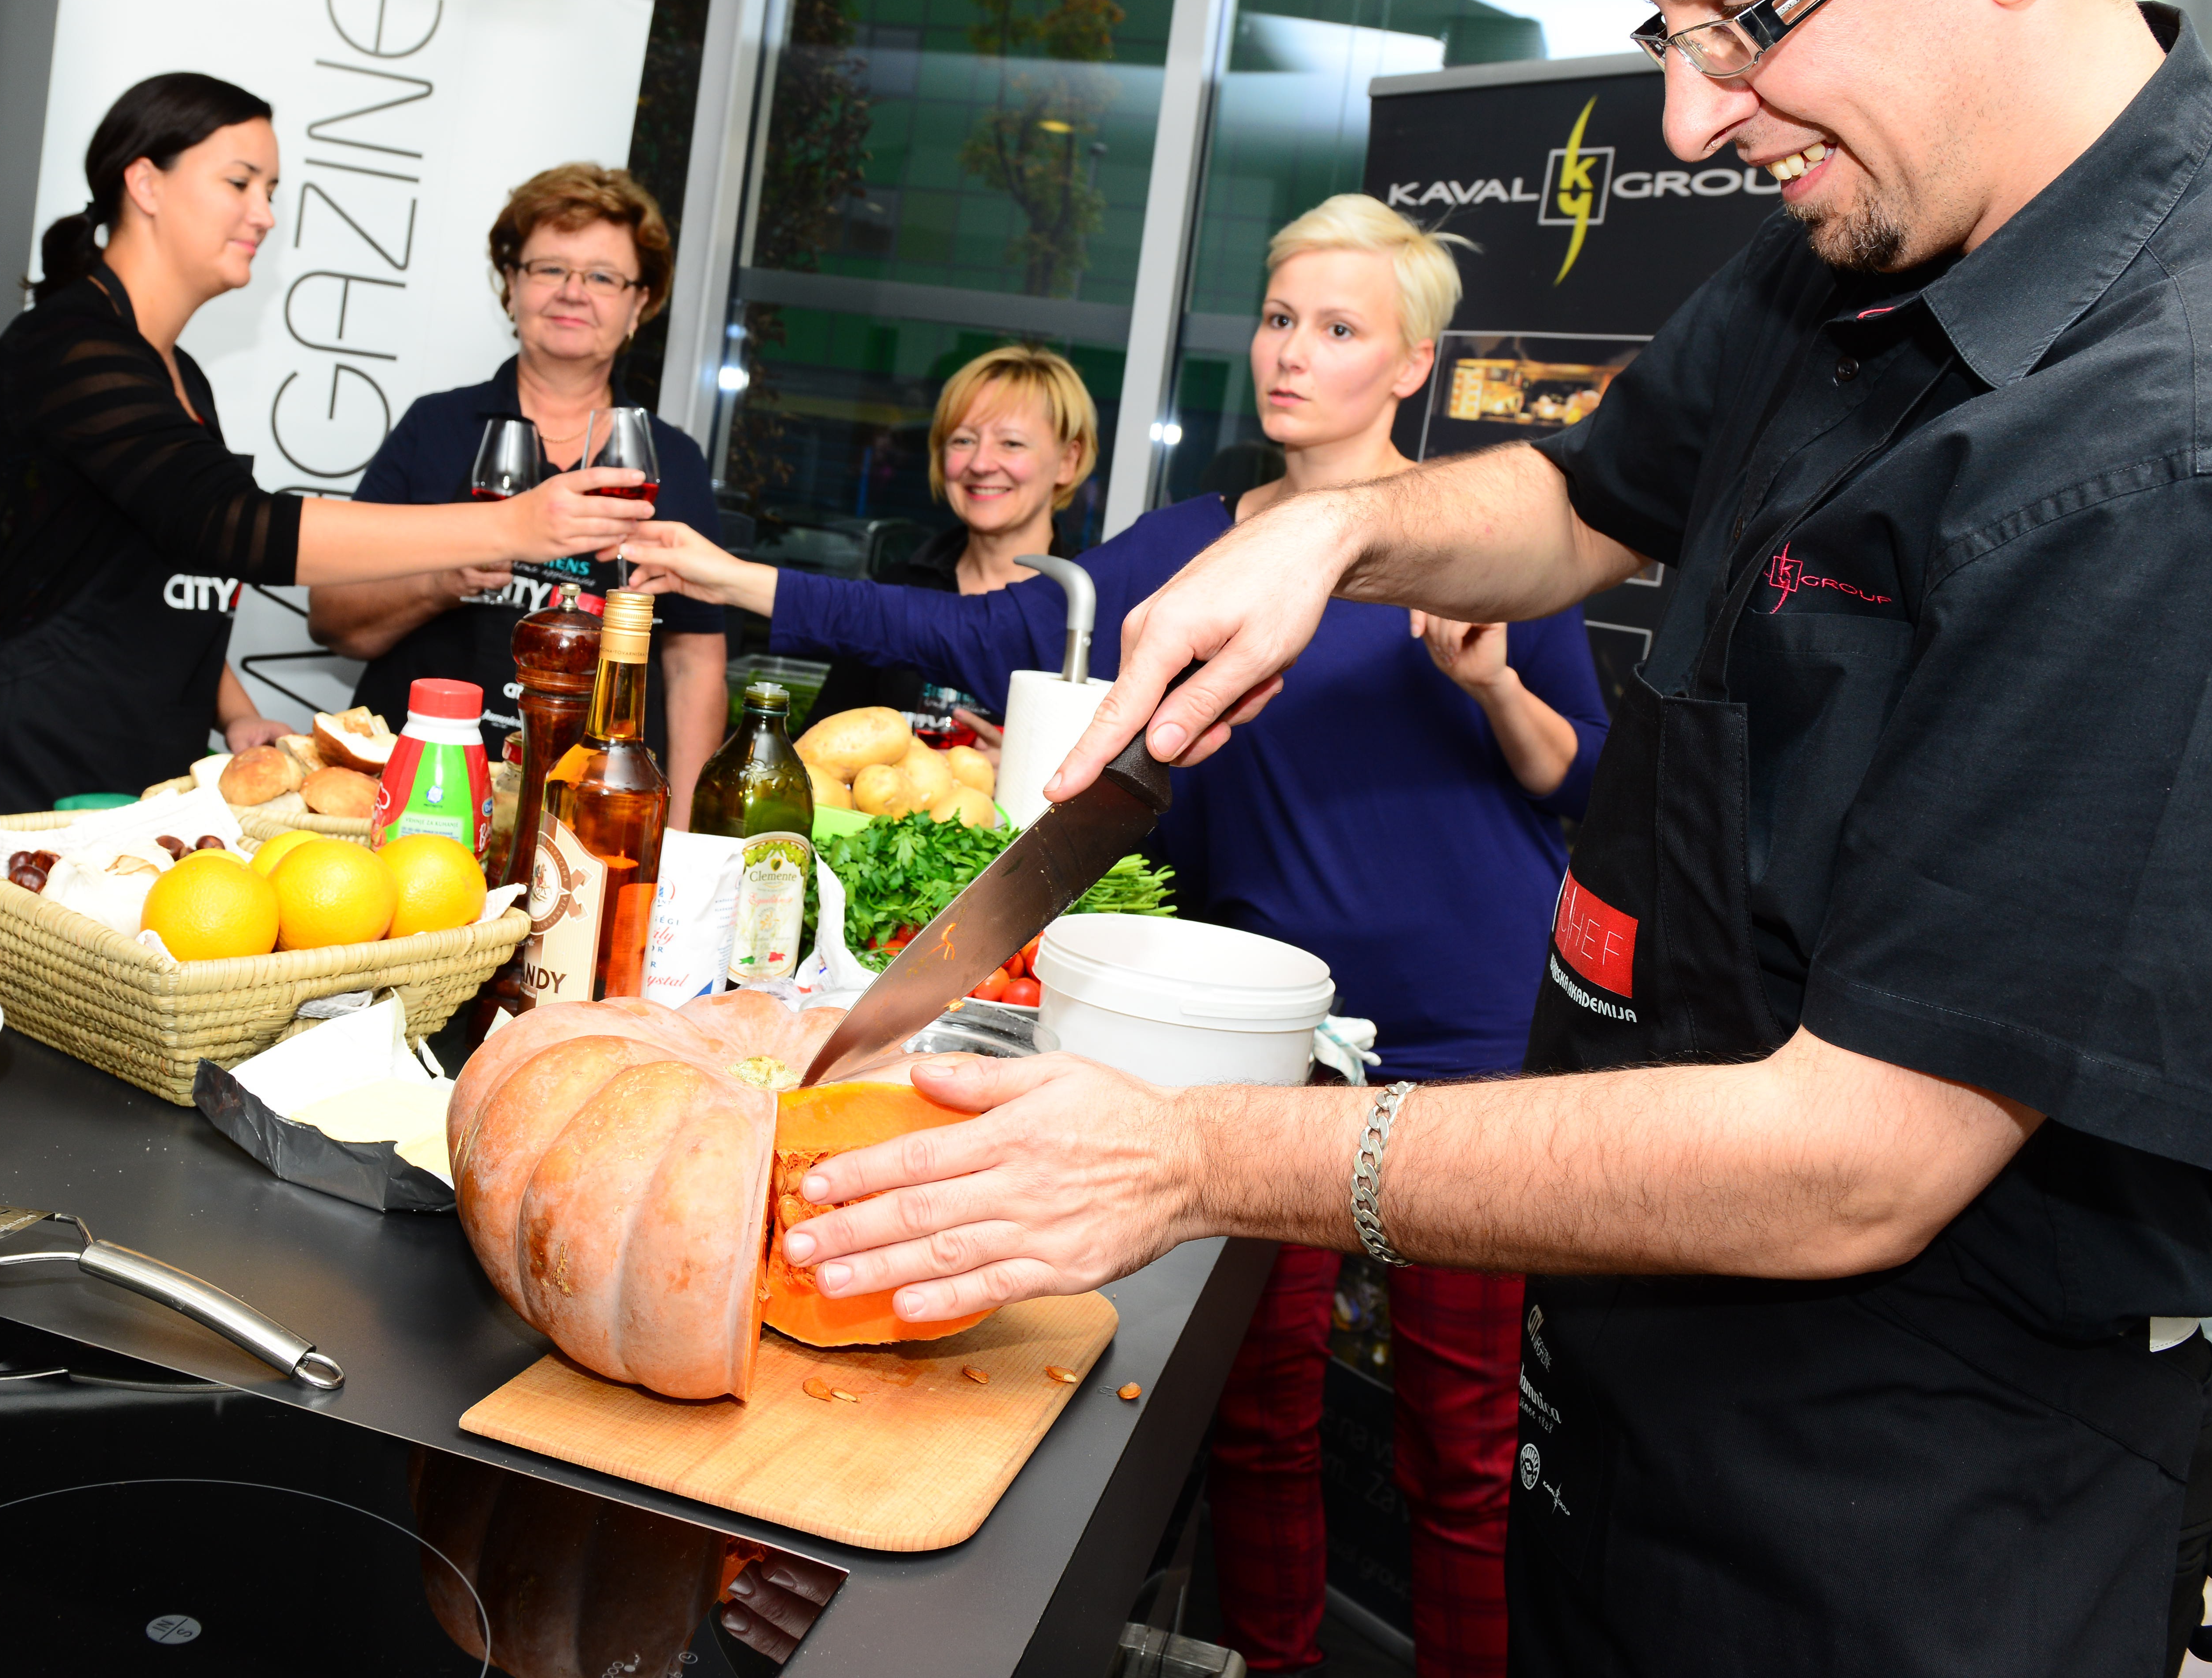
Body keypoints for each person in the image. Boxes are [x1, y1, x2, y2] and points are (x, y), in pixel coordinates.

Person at [737, 0, 2212, 1677]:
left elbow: (1861, 1156)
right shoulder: (1861, 226)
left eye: (1743, 16)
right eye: (1675, 30)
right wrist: (1339, 535)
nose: (1691, 114)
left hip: (1889, 1536)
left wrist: (1193, 1153)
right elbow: (1577, 506)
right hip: (1639, 1432)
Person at [629, 197, 1605, 1678]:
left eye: (1338, 329)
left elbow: (1580, 779)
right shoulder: (1199, 543)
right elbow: (984, 634)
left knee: (1461, 1458)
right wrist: (739, 579)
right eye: (1279, 319)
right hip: (1271, 1045)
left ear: (1412, 364)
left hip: (1466, 1040)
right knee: (1257, 1418)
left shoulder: (1486, 542)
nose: (1292, 353)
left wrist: (1492, 684)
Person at [0, 79, 648, 812]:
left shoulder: (178, 374)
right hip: (9, 758)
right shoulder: (71, 347)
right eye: (240, 182)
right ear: (146, 184)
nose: (265, 214)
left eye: (271, 190)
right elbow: (232, 525)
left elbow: (155, 571)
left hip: (136, 758)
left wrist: (237, 713)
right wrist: (513, 525)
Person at [309, 164, 726, 807]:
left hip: (590, 807)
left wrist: (681, 837)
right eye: (549, 268)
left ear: (640, 303)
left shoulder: (672, 460)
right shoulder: (437, 427)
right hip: (414, 789)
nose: (573, 292)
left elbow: (694, 665)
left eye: (602, 277)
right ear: (511, 285)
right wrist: (440, 582)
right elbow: (334, 621)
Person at [805, 343, 1092, 733]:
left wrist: (1023, 760)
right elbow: (820, 746)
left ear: (1068, 462)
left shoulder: (1092, 609)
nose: (980, 464)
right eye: (963, 440)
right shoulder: (897, 590)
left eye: (1011, 443)